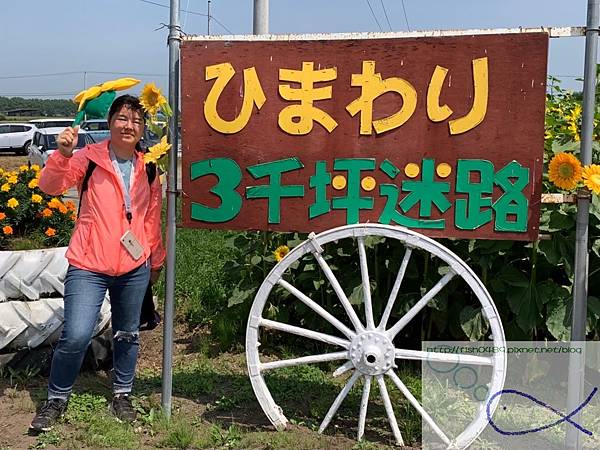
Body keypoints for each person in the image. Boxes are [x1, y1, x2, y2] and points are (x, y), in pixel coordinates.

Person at [30, 95, 165, 432]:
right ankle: (56, 399)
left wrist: (155, 260)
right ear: (110, 122)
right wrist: (61, 154)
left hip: (133, 266)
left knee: (127, 334)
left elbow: (151, 220)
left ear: (143, 128)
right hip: (89, 263)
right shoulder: (88, 158)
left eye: (136, 120)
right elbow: (49, 186)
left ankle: (122, 393)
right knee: (75, 335)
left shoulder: (149, 167)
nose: (128, 125)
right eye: (122, 118)